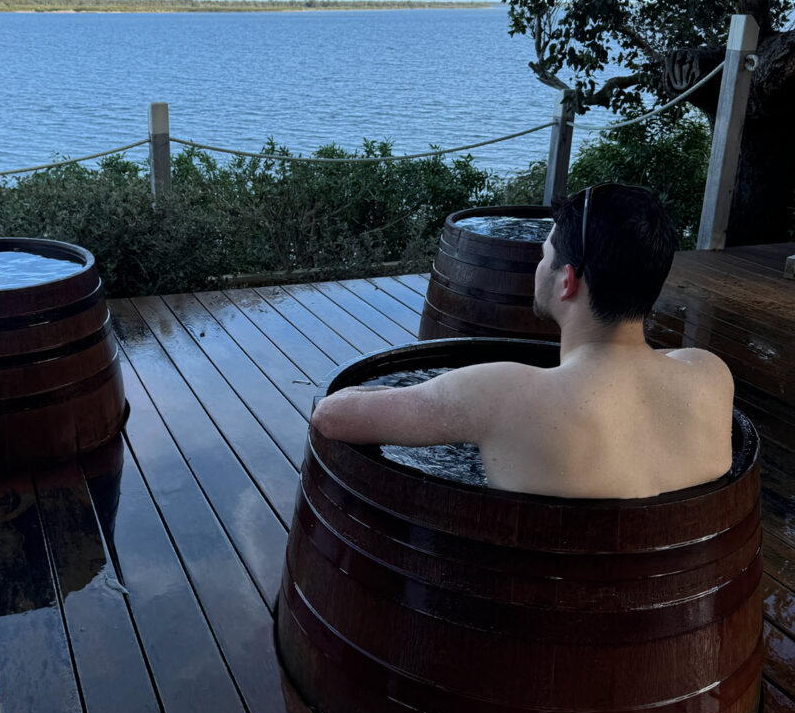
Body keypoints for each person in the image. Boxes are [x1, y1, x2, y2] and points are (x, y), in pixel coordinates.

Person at [310, 183, 734, 498]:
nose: (539, 268)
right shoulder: (710, 376)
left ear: (567, 281)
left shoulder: (503, 394)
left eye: (544, 257)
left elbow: (333, 416)